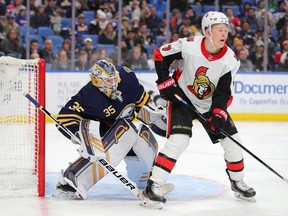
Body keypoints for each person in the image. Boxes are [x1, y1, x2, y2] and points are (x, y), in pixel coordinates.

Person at [140, 11, 256, 209]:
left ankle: (237, 181)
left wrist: (218, 112)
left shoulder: (230, 60)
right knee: (179, 141)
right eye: (219, 29)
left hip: (209, 105)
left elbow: (223, 91)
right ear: (207, 31)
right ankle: (153, 185)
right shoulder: (188, 45)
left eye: (226, 30)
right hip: (182, 99)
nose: (224, 34)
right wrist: (164, 81)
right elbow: (160, 54)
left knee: (233, 141)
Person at [52, 59, 164, 199]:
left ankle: (148, 182)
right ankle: (70, 182)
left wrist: (154, 112)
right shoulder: (89, 96)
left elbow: (141, 98)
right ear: (97, 81)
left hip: (127, 129)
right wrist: (82, 136)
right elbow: (64, 117)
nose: (114, 84)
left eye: (114, 79)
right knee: (123, 131)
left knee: (144, 139)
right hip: (105, 133)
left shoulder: (127, 78)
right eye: (108, 81)